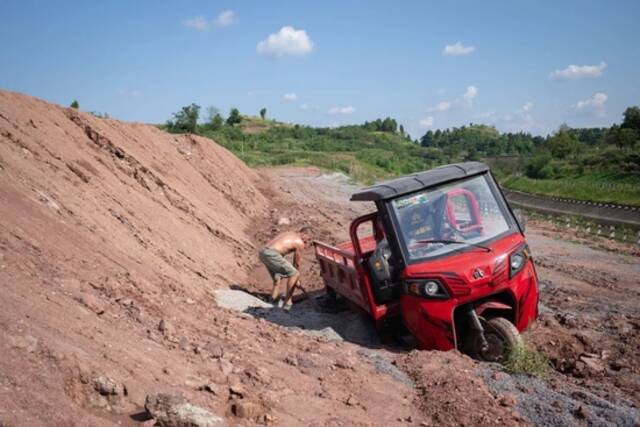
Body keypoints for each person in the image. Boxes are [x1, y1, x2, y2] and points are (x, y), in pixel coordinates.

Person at [258, 226, 313, 310]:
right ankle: (288, 303)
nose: (307, 242)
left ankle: (272, 300)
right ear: (304, 234)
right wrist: (297, 279)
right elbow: (296, 264)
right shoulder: (299, 242)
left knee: (278, 276)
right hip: (271, 254)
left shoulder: (290, 233)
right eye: (308, 239)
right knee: (295, 273)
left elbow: (280, 249)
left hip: (263, 252)